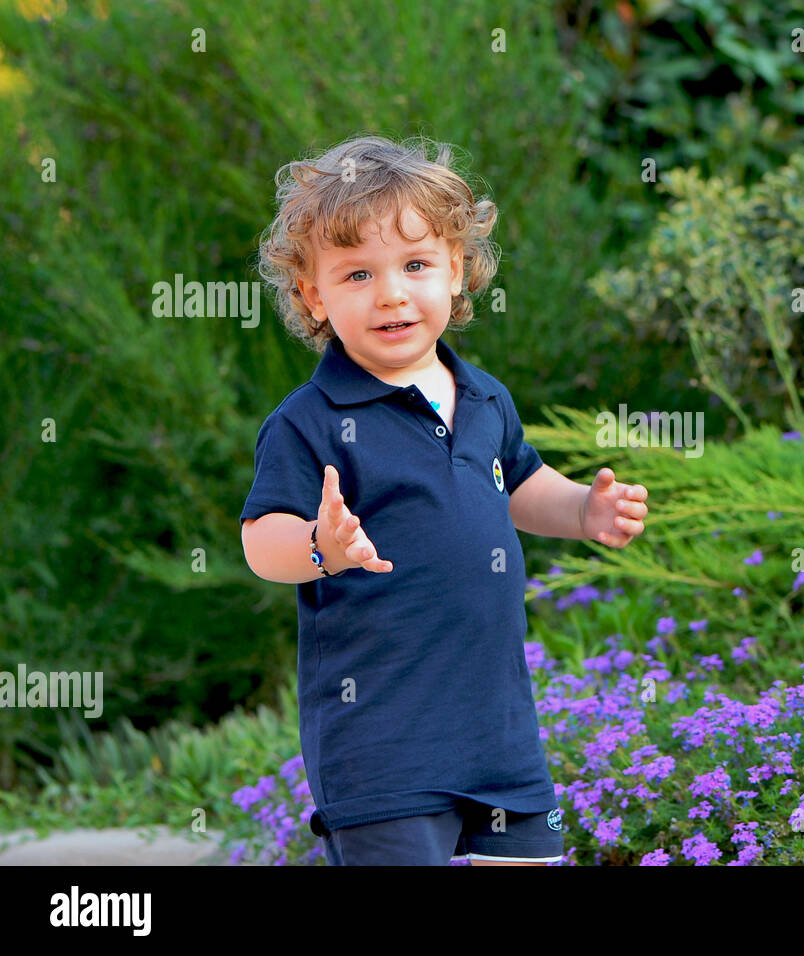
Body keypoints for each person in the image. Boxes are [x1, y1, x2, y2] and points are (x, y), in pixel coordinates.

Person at [239, 134, 649, 865]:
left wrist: (582, 511)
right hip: (382, 747)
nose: (392, 293)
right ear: (312, 294)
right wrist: (320, 547)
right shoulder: (309, 421)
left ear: (457, 270)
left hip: (501, 738)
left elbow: (520, 484)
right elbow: (261, 539)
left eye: (416, 265)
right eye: (357, 273)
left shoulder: (485, 397)